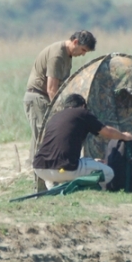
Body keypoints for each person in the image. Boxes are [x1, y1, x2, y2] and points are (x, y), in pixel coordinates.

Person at [23, 31, 96, 176]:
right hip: (38, 97)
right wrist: (61, 113)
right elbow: (51, 89)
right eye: (82, 50)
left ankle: (35, 170)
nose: (82, 54)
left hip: (45, 97)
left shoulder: (67, 55)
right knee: (44, 136)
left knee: (43, 135)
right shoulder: (58, 55)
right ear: (75, 42)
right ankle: (40, 174)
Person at [32, 93, 132, 189]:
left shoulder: (54, 117)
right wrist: (124, 136)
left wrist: (91, 161)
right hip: (66, 169)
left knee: (63, 172)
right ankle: (83, 191)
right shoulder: (82, 113)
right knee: (109, 173)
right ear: (83, 106)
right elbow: (107, 132)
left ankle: (55, 188)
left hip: (40, 168)